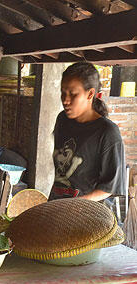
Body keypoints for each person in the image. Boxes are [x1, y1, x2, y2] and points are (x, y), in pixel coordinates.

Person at [49, 62, 126, 204]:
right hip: (58, 207)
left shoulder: (107, 132)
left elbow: (109, 187)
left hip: (88, 215)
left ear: (90, 94)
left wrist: (75, 204)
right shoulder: (62, 120)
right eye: (63, 93)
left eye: (73, 94)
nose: (65, 100)